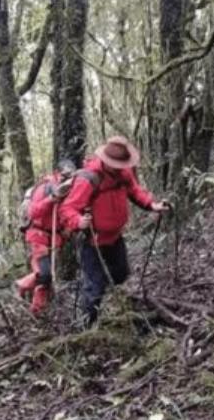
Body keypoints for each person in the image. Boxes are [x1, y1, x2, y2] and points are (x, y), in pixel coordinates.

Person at [59, 136, 169, 328]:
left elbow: (135, 192)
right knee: (94, 288)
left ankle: (111, 310)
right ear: (106, 161)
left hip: (115, 238)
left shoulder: (123, 173)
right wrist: (78, 221)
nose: (120, 167)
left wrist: (152, 205)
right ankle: (85, 329)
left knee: (121, 274)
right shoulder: (89, 179)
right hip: (93, 242)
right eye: (117, 164)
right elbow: (67, 209)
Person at [15, 159, 77, 315]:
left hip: (54, 237)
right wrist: (51, 199)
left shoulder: (72, 190)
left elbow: (68, 213)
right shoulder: (46, 188)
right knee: (44, 274)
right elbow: (33, 212)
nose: (67, 180)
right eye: (64, 176)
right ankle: (21, 285)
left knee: (46, 280)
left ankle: (38, 312)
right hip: (38, 236)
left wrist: (68, 229)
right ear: (57, 174)